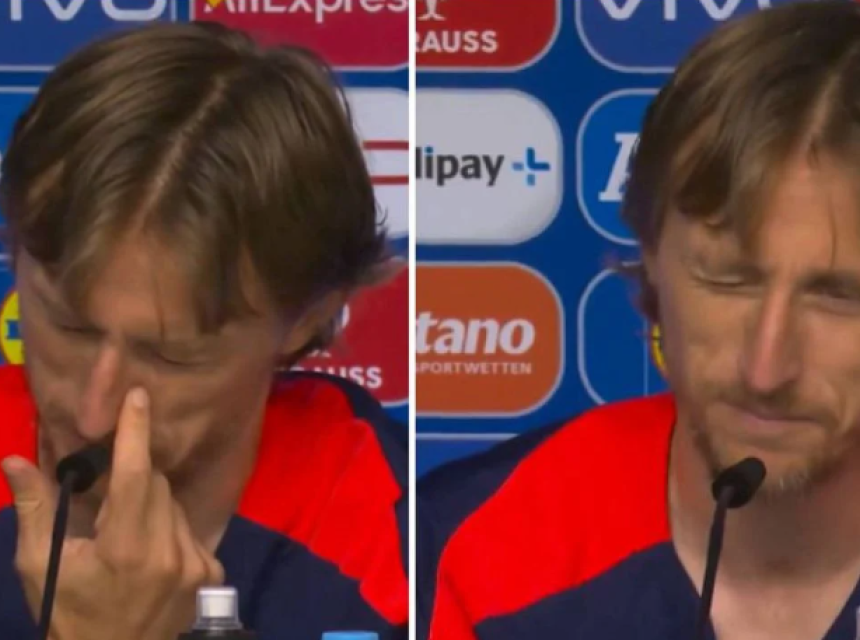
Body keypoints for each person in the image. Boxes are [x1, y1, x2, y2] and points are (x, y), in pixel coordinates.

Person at [417, 2, 860, 639]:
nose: (765, 370)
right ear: (650, 257)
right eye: (726, 279)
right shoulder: (467, 553)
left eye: (839, 296)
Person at [0, 21, 408, 640]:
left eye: (172, 357)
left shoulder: (414, 547)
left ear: (307, 318)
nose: (92, 413)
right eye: (69, 327)